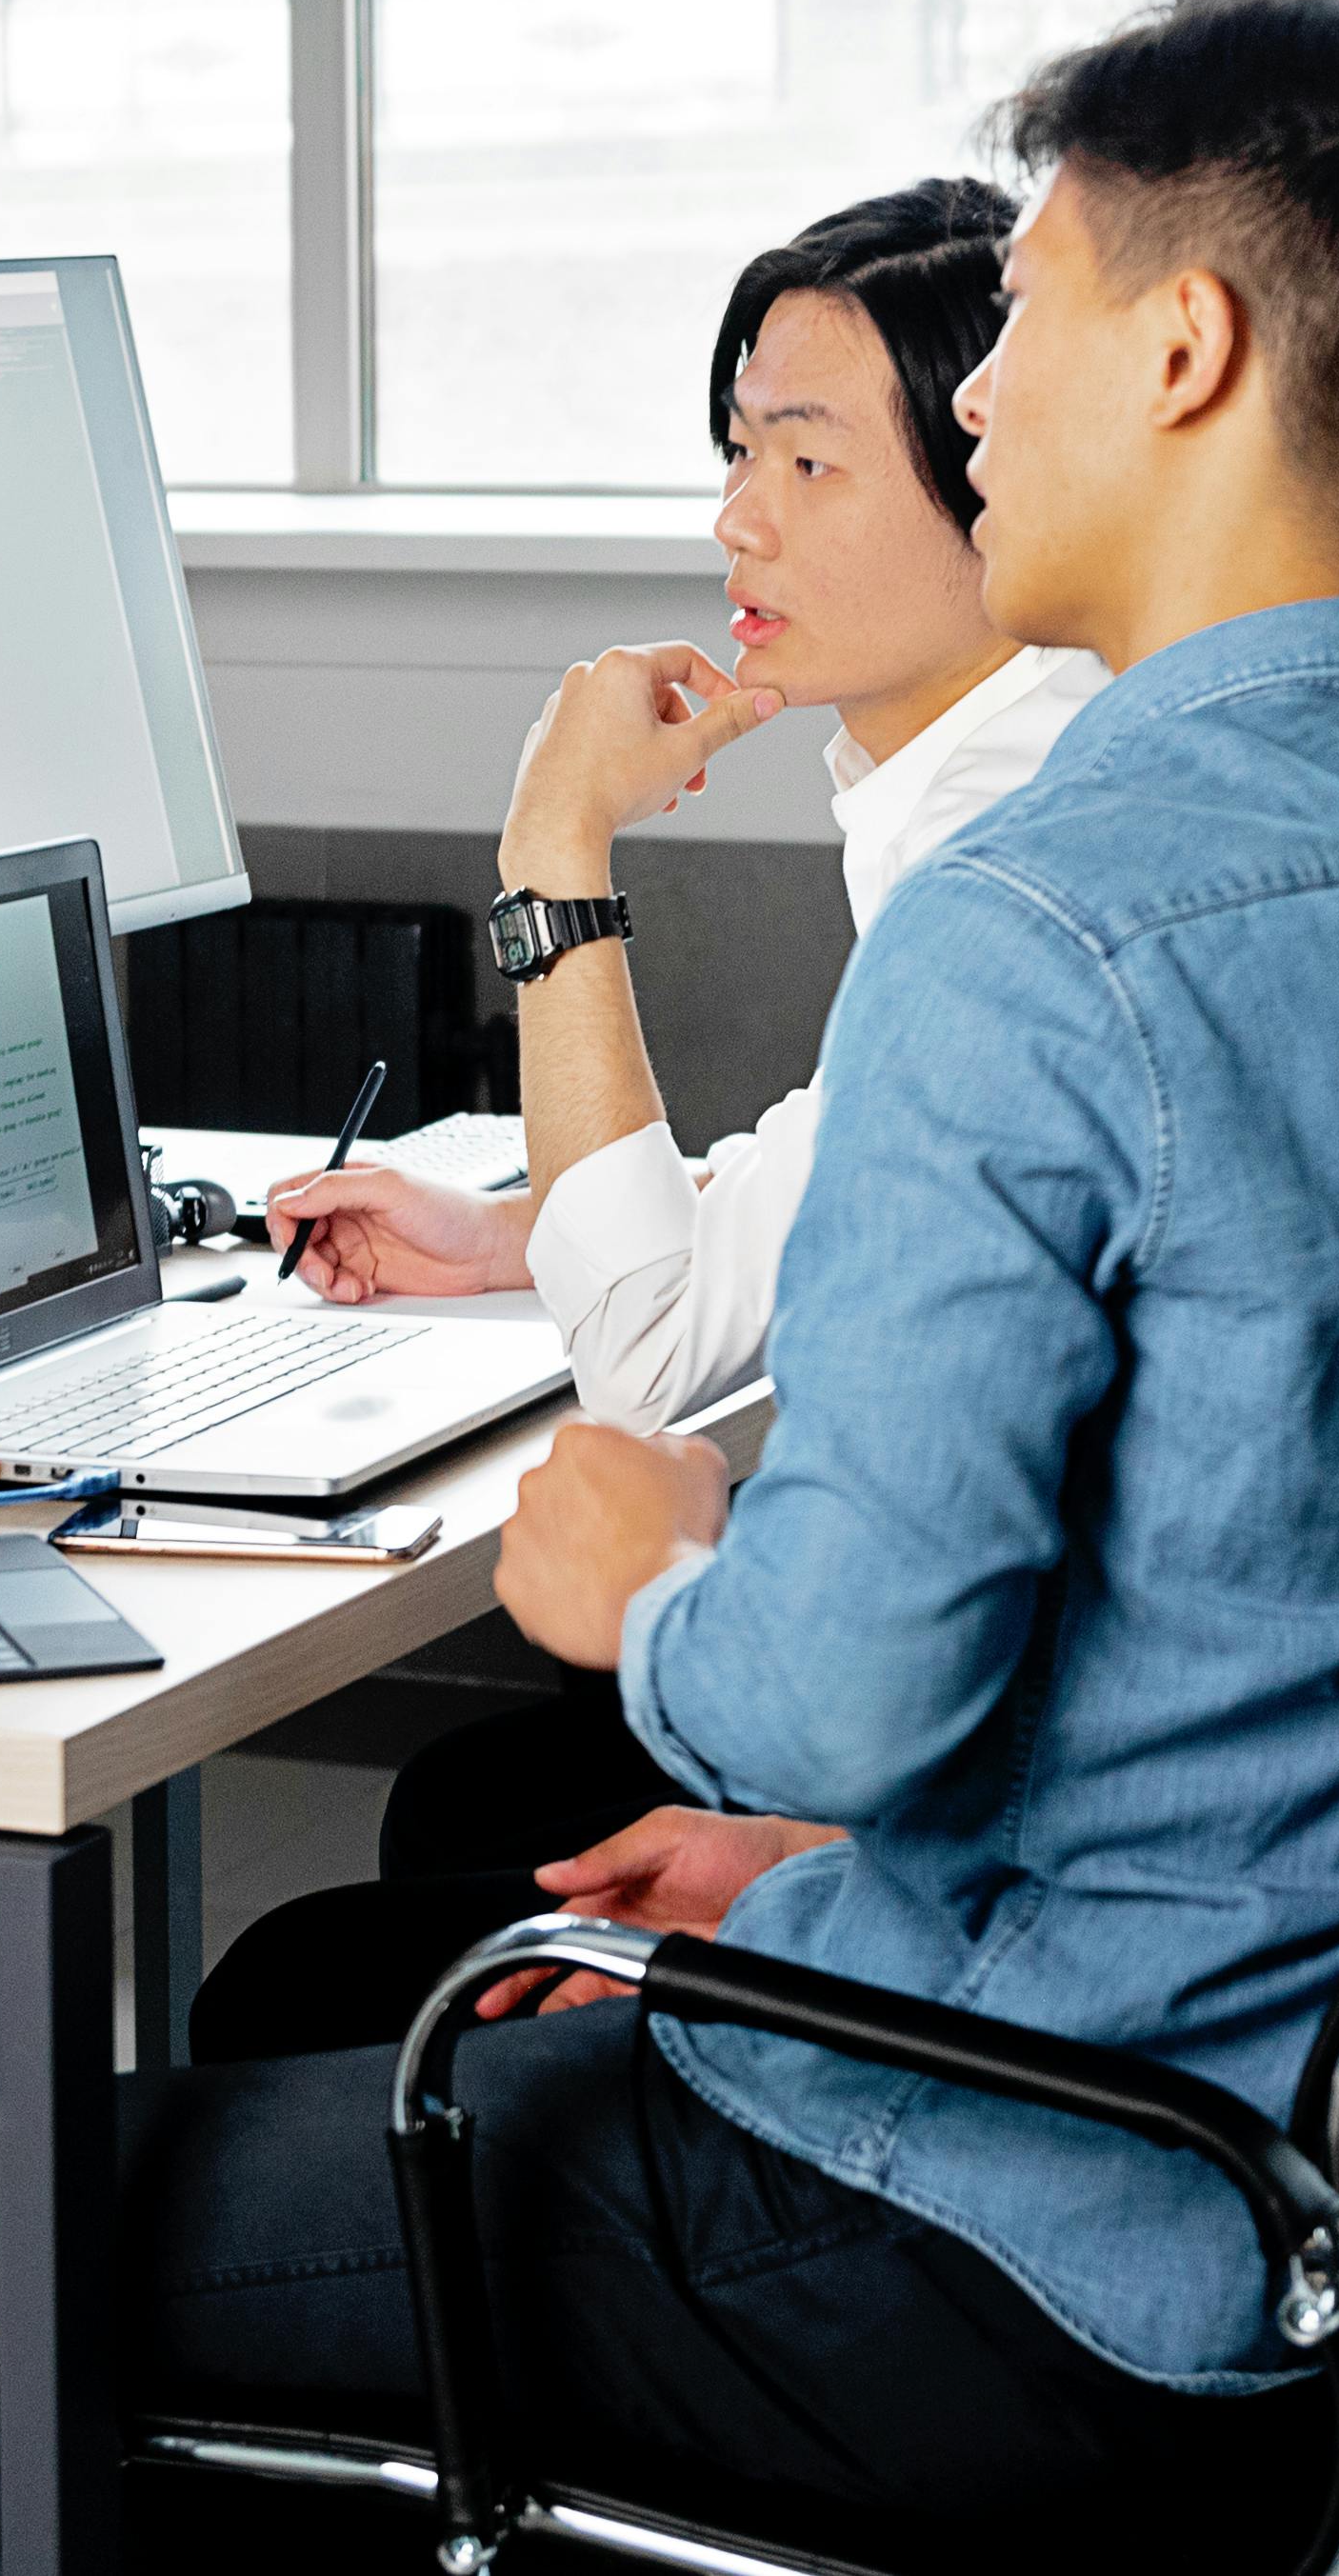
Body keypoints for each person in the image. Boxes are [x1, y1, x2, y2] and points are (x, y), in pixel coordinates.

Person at [0, 0, 1339, 2573]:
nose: (982, 397)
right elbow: (1284, 1616)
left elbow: (840, 1677)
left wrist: (647, 1589)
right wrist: (807, 1875)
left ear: (1185, 343)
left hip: (1009, 2220)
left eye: (1012, 323)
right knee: (341, 2008)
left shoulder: (1047, 916)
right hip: (1307, 2148)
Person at [188, 185, 1105, 2058]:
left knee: (314, 1962)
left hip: (1000, 1810)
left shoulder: (1003, 858)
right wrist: (515, 1232)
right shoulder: (1037, 764)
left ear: (993, 478)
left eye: (806, 460)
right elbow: (854, 1173)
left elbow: (653, 1358)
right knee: (465, 1807)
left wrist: (554, 853)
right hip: (1030, 1729)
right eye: (734, 450)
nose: (734, 521)